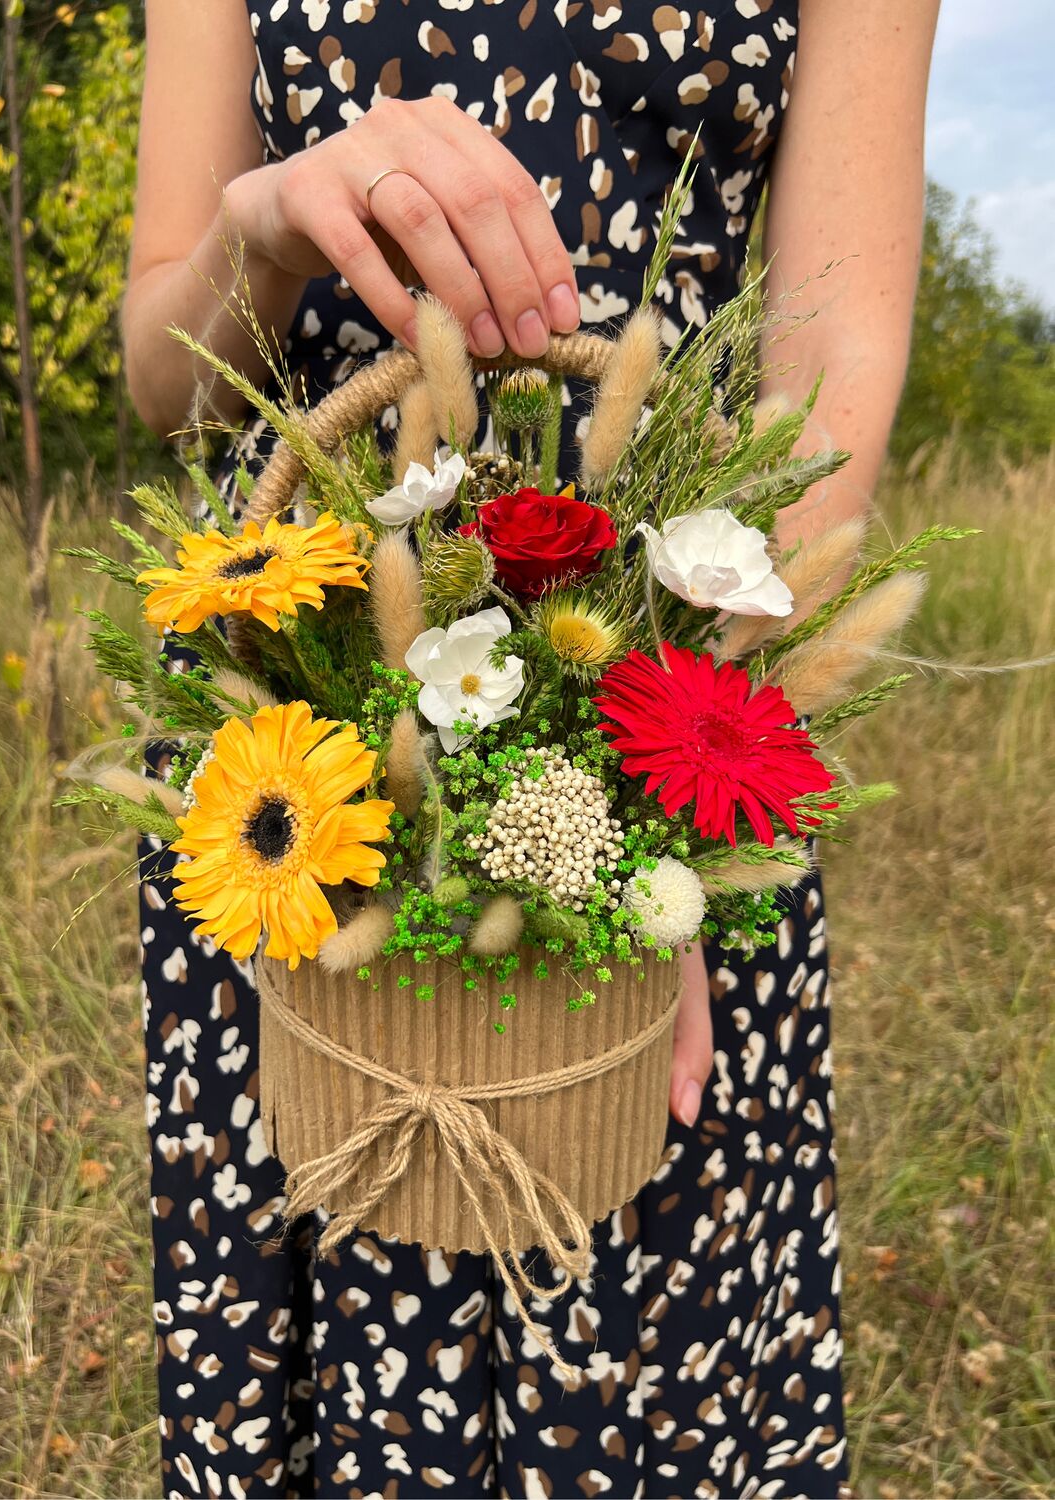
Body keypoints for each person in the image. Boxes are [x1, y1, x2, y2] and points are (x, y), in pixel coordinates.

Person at [124, 3, 940, 1495]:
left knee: (625, 1286)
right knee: (329, 1231)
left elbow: (827, 366)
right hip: (294, 689)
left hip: (668, 649)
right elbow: (164, 377)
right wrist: (269, 220)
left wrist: (674, 807)